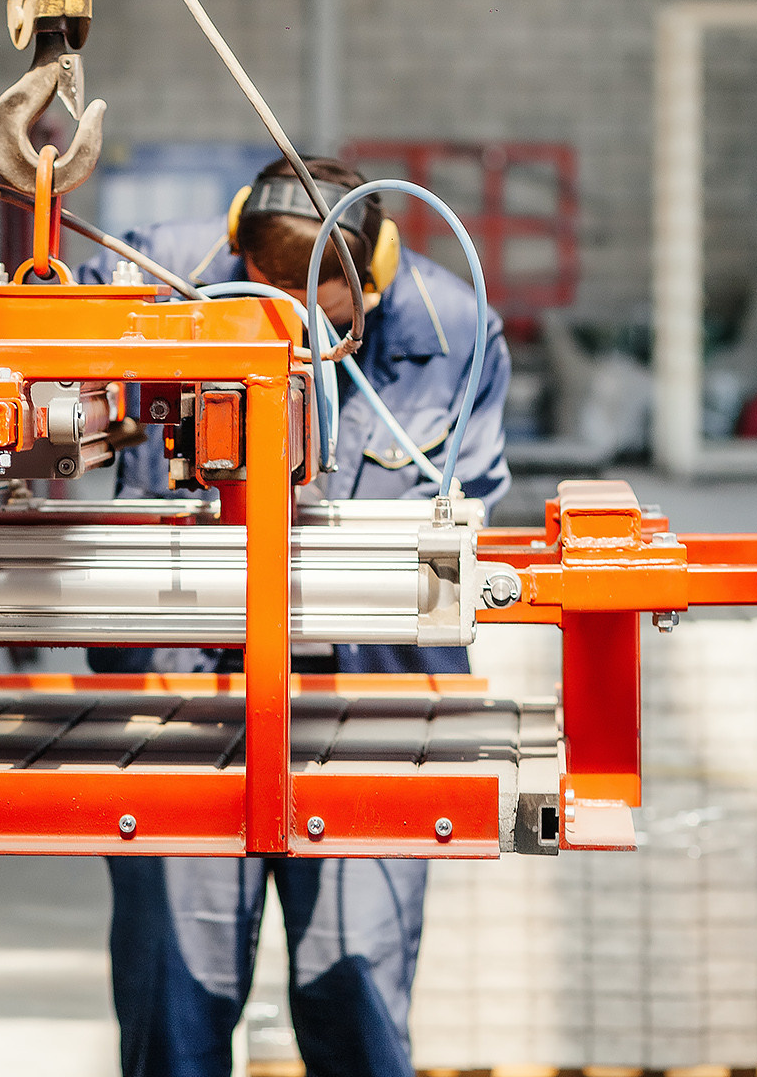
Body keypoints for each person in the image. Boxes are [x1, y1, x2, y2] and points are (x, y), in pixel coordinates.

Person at [75, 155, 511, 1077]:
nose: (297, 340)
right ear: (237, 254)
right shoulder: (148, 283)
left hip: (368, 705)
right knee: (175, 1010)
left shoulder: (451, 328)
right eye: (266, 307)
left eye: (325, 319)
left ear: (374, 276)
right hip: (181, 700)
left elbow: (466, 521)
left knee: (355, 1001)